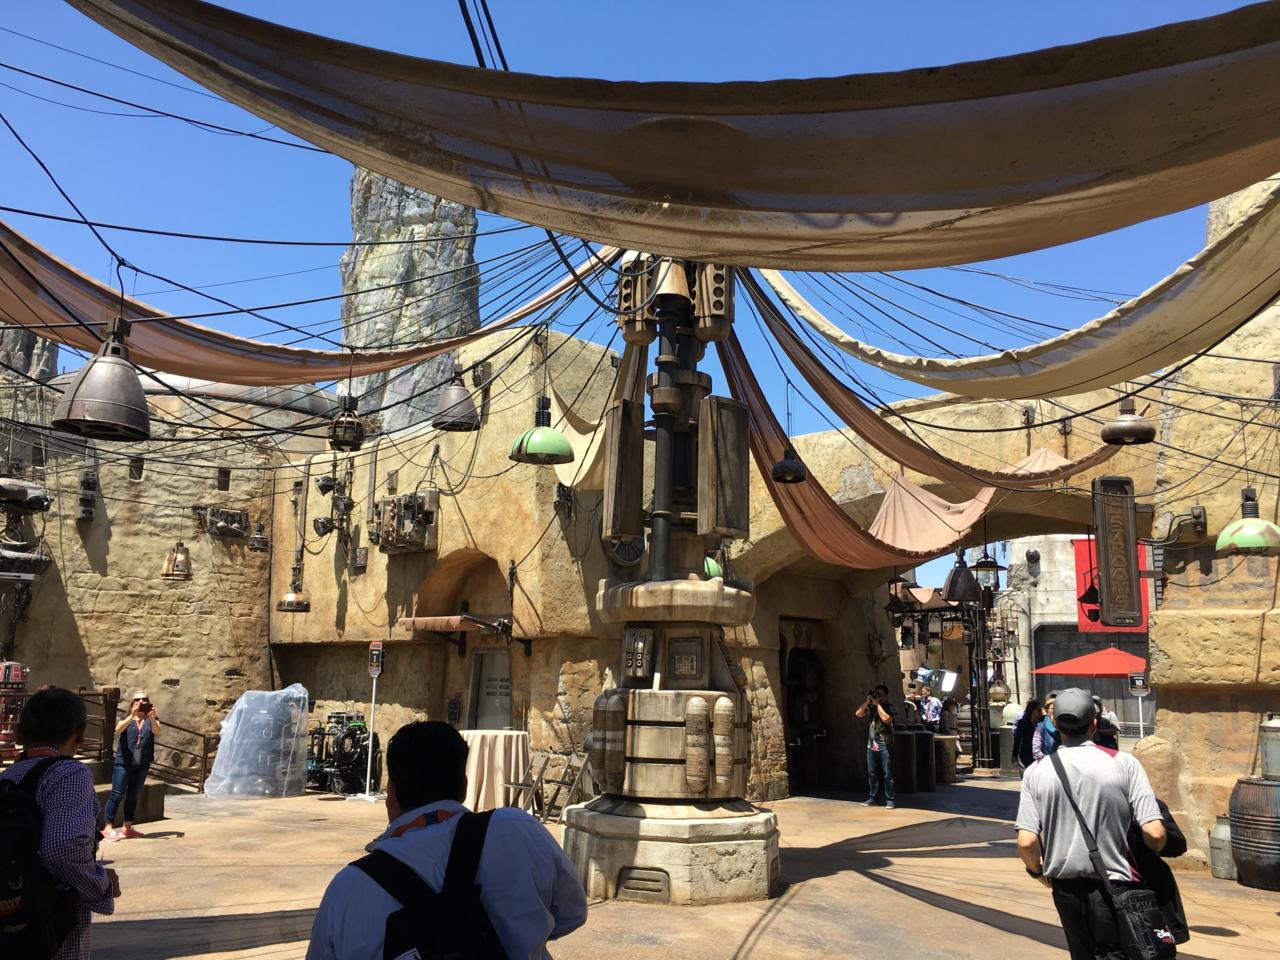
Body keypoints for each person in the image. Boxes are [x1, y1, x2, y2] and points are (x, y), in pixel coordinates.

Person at [307, 720, 586, 960]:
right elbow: (572, 913)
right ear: (464, 786)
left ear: (390, 793)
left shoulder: (348, 888)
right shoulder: (518, 830)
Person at [1015, 688, 1167, 960]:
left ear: (1055, 724)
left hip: (1065, 888)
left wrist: (1037, 873)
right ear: (1094, 724)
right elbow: (1154, 833)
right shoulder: (1124, 763)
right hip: (1118, 884)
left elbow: (1026, 842)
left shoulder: (1036, 772)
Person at [0, 687, 119, 959]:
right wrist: (101, 884)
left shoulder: (8, 777)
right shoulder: (69, 773)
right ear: (79, 734)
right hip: (50, 929)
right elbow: (62, 848)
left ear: (20, 734)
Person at [102, 690, 159, 841]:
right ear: (132, 703)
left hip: (142, 763)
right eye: (137, 700)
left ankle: (127, 828)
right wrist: (131, 715)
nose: (141, 702)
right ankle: (107, 828)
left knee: (133, 795)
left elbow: (157, 732)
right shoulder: (126, 717)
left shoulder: (151, 718)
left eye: (144, 699)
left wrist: (152, 718)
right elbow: (118, 729)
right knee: (117, 794)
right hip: (124, 762)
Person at [856, 684, 897, 809]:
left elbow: (886, 719)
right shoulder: (871, 707)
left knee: (888, 773)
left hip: (885, 745)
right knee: (872, 773)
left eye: (880, 695)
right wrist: (868, 701)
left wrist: (878, 704)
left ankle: (890, 799)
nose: (877, 697)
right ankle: (873, 798)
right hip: (872, 745)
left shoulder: (889, 707)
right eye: (876, 694)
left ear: (886, 696)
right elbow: (858, 713)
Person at [1012, 699, 1044, 770]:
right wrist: (1014, 755)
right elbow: (1017, 739)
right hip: (1026, 753)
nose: (1041, 712)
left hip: (1039, 753)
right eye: (1039, 710)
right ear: (1032, 710)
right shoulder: (1022, 723)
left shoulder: (1042, 722)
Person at [1032, 691, 1061, 761]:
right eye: (1052, 708)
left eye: (1056, 708)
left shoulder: (1064, 725)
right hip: (1047, 761)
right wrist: (1045, 760)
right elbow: (1036, 748)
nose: (1054, 711)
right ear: (1047, 710)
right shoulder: (1041, 727)